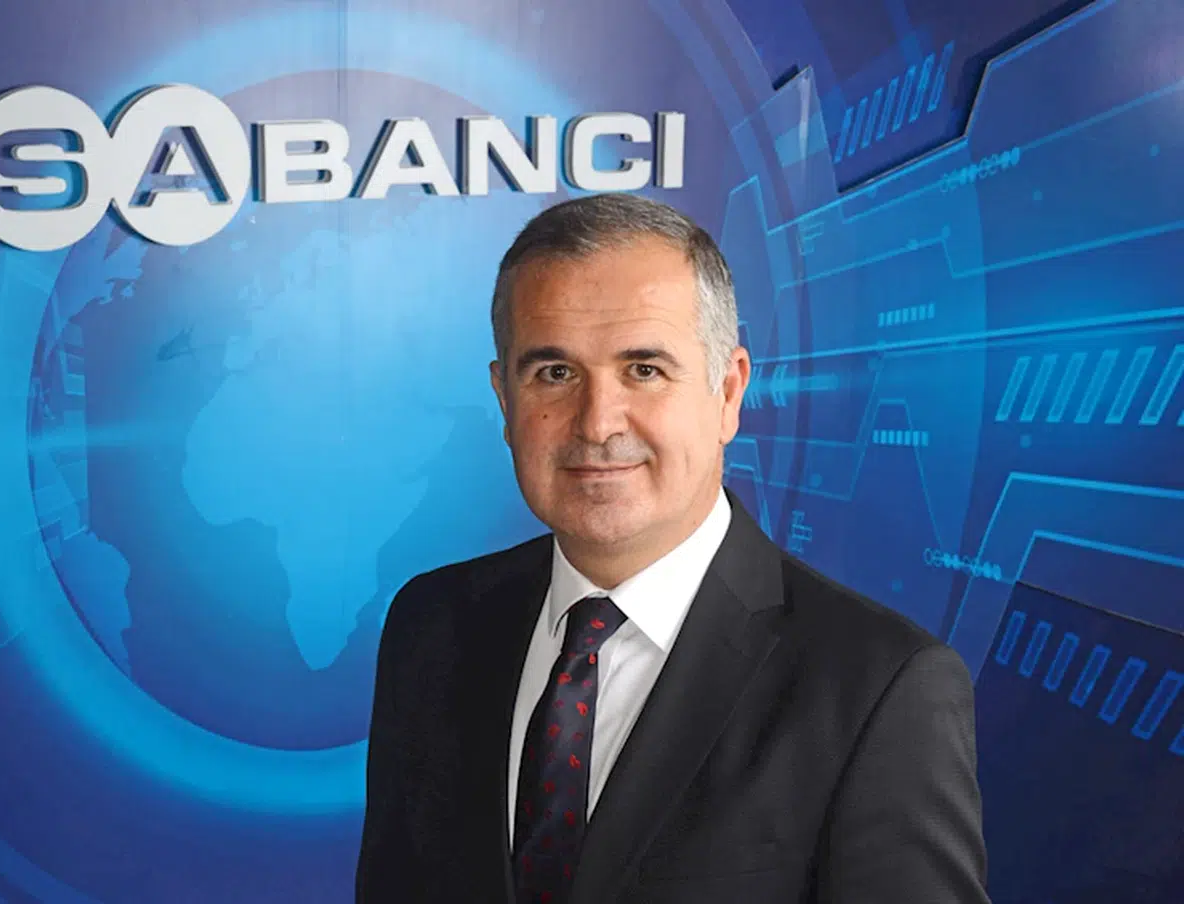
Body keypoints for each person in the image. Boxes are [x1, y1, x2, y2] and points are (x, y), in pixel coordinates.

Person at [355, 193, 990, 904]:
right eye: (555, 372)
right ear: (506, 398)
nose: (597, 423)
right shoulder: (431, 625)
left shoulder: (878, 689)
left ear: (728, 391)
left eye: (644, 369)